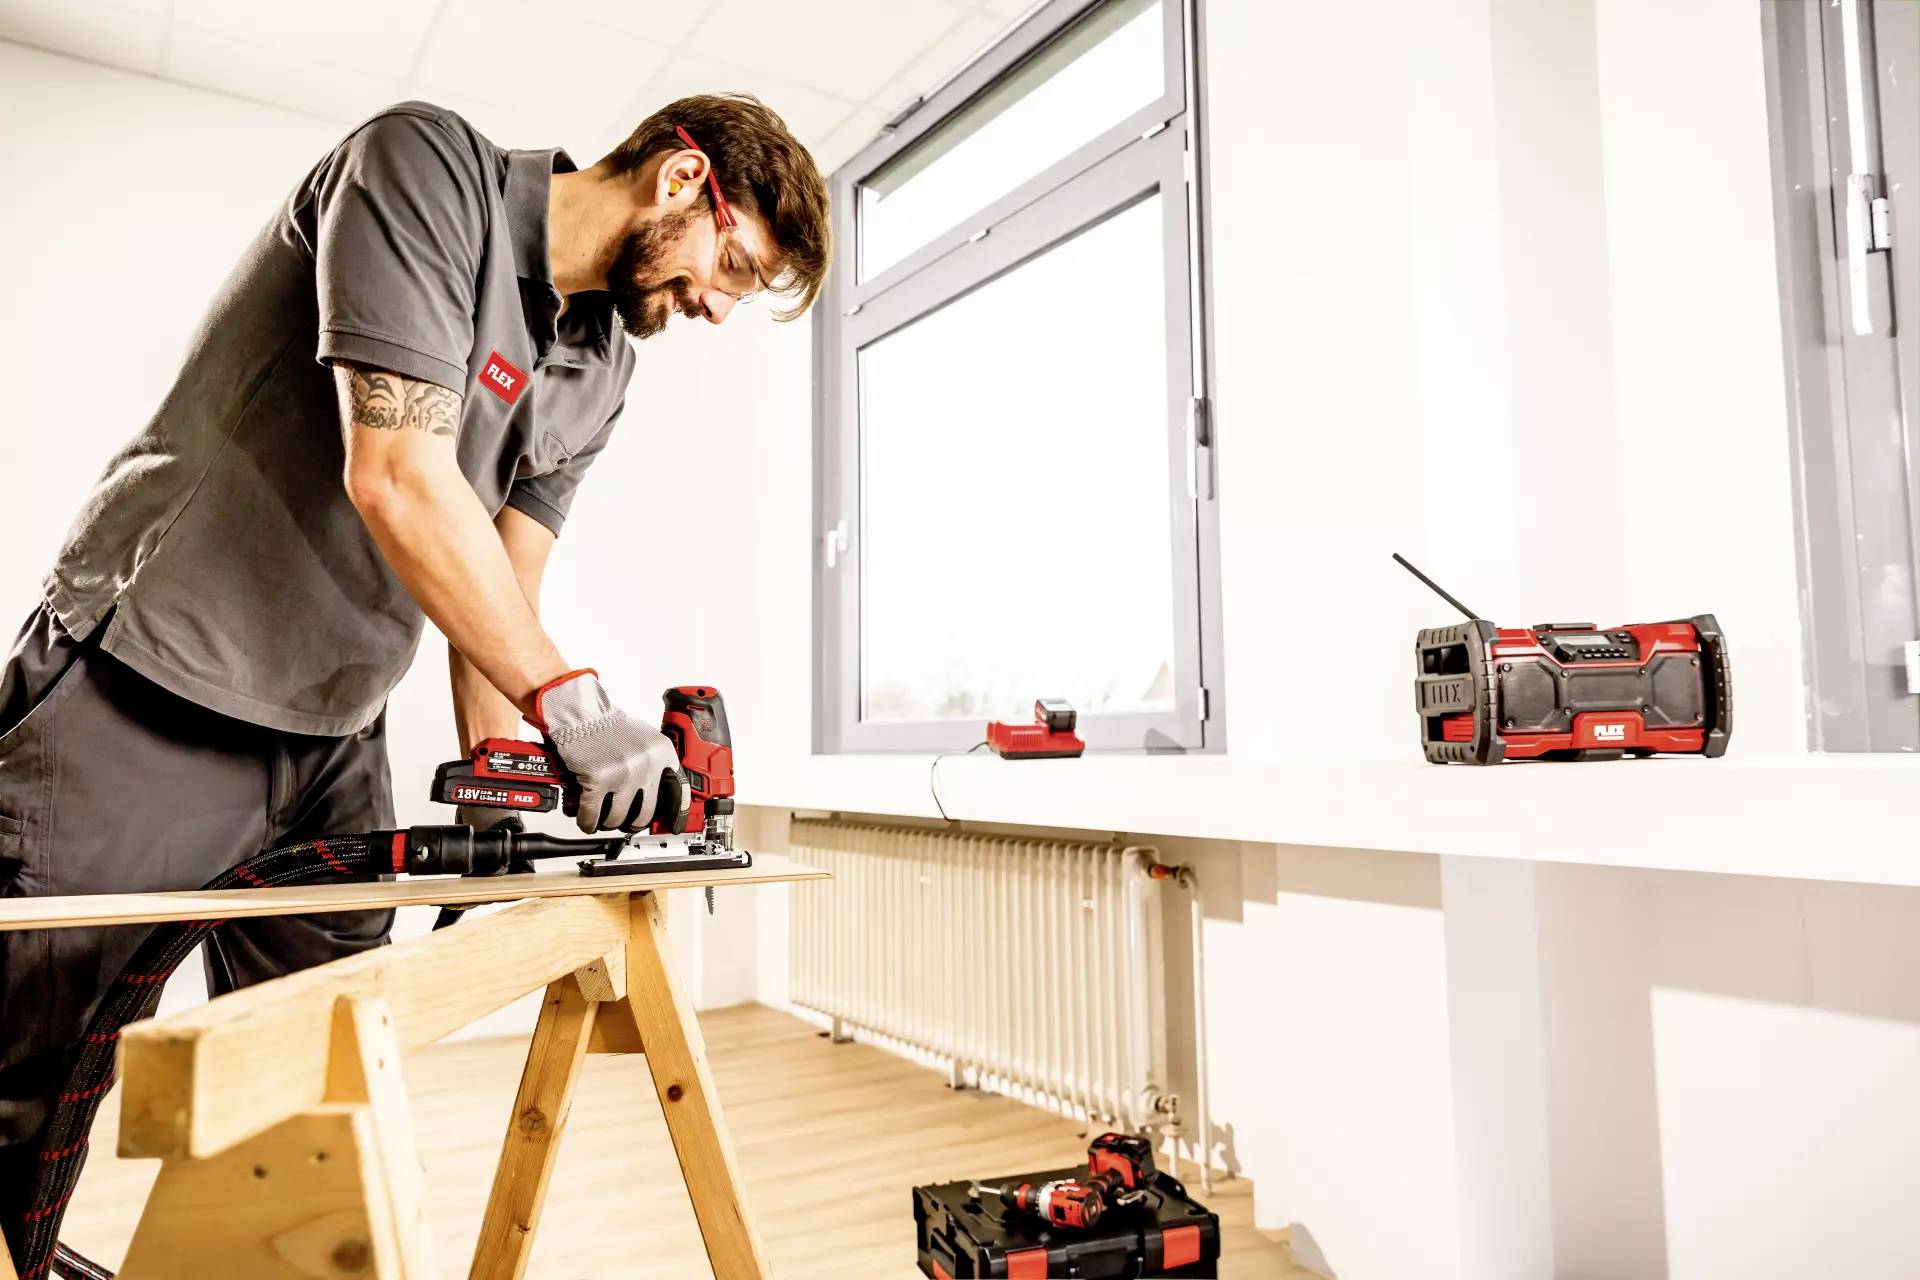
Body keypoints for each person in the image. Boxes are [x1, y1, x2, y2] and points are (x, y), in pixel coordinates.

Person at [0, 93, 829, 1242]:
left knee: (318, 1091)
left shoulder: (599, 368)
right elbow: (395, 471)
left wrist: (505, 765)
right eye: (729, 265)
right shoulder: (429, 172)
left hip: (333, 736)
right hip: (152, 682)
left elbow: (505, 581)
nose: (716, 305)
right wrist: (576, 702)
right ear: (682, 180)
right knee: (22, 1084)